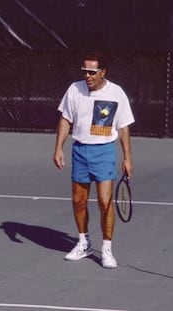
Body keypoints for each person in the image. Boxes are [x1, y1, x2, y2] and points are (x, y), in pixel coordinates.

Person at [52, 52, 134, 269]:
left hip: (105, 152)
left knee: (105, 202)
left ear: (103, 72)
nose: (87, 76)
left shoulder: (117, 93)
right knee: (79, 201)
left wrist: (127, 157)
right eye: (84, 71)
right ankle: (84, 242)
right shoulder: (74, 90)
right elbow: (65, 119)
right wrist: (58, 148)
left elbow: (123, 127)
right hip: (79, 151)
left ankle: (106, 248)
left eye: (92, 72)